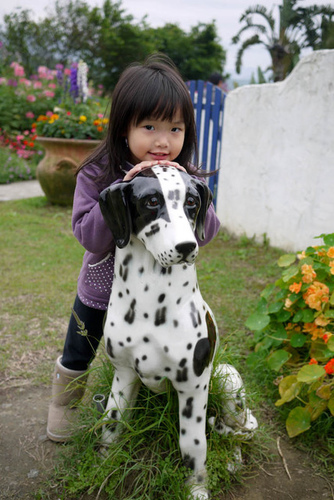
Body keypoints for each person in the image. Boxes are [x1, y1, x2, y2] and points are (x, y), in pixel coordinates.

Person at [47, 54, 221, 442]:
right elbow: (89, 237)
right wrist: (123, 193)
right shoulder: (98, 171)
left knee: (148, 350)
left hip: (157, 300)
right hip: (102, 289)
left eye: (175, 128)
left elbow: (207, 232)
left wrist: (188, 193)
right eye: (149, 126)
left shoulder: (184, 177)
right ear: (123, 127)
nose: (163, 140)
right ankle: (65, 403)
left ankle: (142, 397)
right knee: (80, 347)